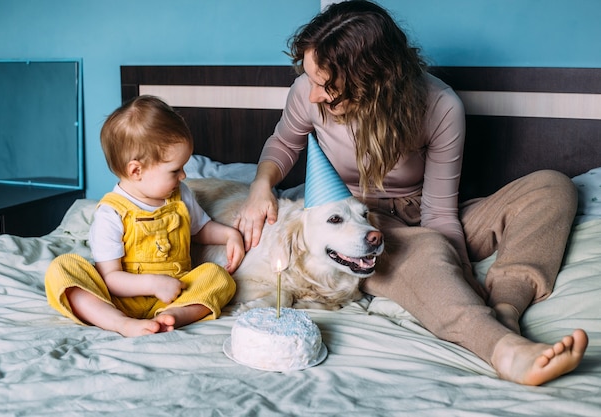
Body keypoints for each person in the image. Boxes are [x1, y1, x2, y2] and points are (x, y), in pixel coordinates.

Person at [234, 0, 588, 385]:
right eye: (311, 79)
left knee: (553, 187)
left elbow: (438, 213)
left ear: (371, 82)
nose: (314, 93)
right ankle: (502, 348)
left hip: (426, 208)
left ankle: (506, 307)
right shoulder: (308, 90)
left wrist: (462, 274)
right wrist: (260, 185)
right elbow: (284, 144)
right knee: (425, 252)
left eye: (326, 85)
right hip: (360, 217)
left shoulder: (440, 105)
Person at [45, 95, 243, 337]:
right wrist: (152, 284)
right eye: (175, 170)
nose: (183, 175)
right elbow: (110, 278)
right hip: (118, 300)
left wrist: (229, 235)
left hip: (175, 292)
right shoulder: (111, 213)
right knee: (61, 268)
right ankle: (119, 323)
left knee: (217, 277)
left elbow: (200, 229)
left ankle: (173, 316)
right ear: (136, 170)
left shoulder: (181, 196)